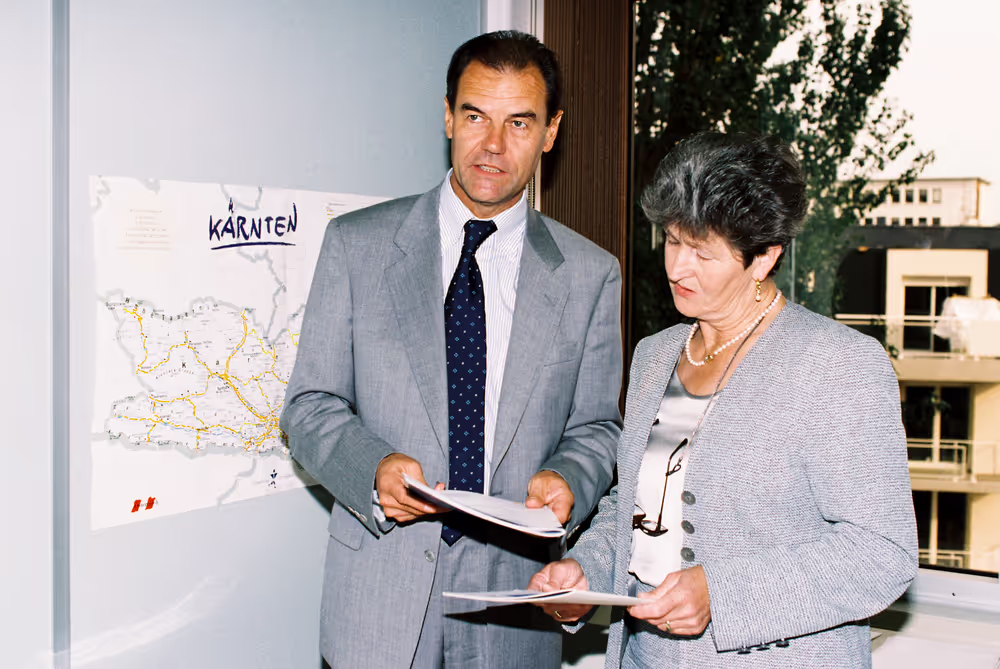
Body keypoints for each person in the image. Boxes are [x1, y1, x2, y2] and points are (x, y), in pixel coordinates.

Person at [280, 30, 623, 669]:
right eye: (475, 117)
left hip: (513, 617)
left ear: (551, 132)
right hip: (375, 616)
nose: (492, 146)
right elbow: (309, 407)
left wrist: (569, 480)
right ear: (447, 116)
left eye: (519, 122)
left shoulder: (590, 275)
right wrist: (372, 469)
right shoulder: (356, 247)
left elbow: (597, 428)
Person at [528, 132, 918, 668]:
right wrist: (586, 572)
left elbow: (882, 554)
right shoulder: (655, 355)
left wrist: (722, 592)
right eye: (671, 241)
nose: (676, 268)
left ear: (763, 259)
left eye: (702, 252)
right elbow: (637, 507)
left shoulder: (838, 364)